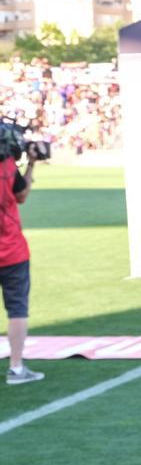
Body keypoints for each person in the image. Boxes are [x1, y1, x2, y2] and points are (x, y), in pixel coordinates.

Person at [1, 141, 41, 385]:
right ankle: (16, 367)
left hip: (12, 247)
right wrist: (31, 165)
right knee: (17, 309)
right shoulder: (6, 165)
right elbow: (22, 194)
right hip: (11, 249)